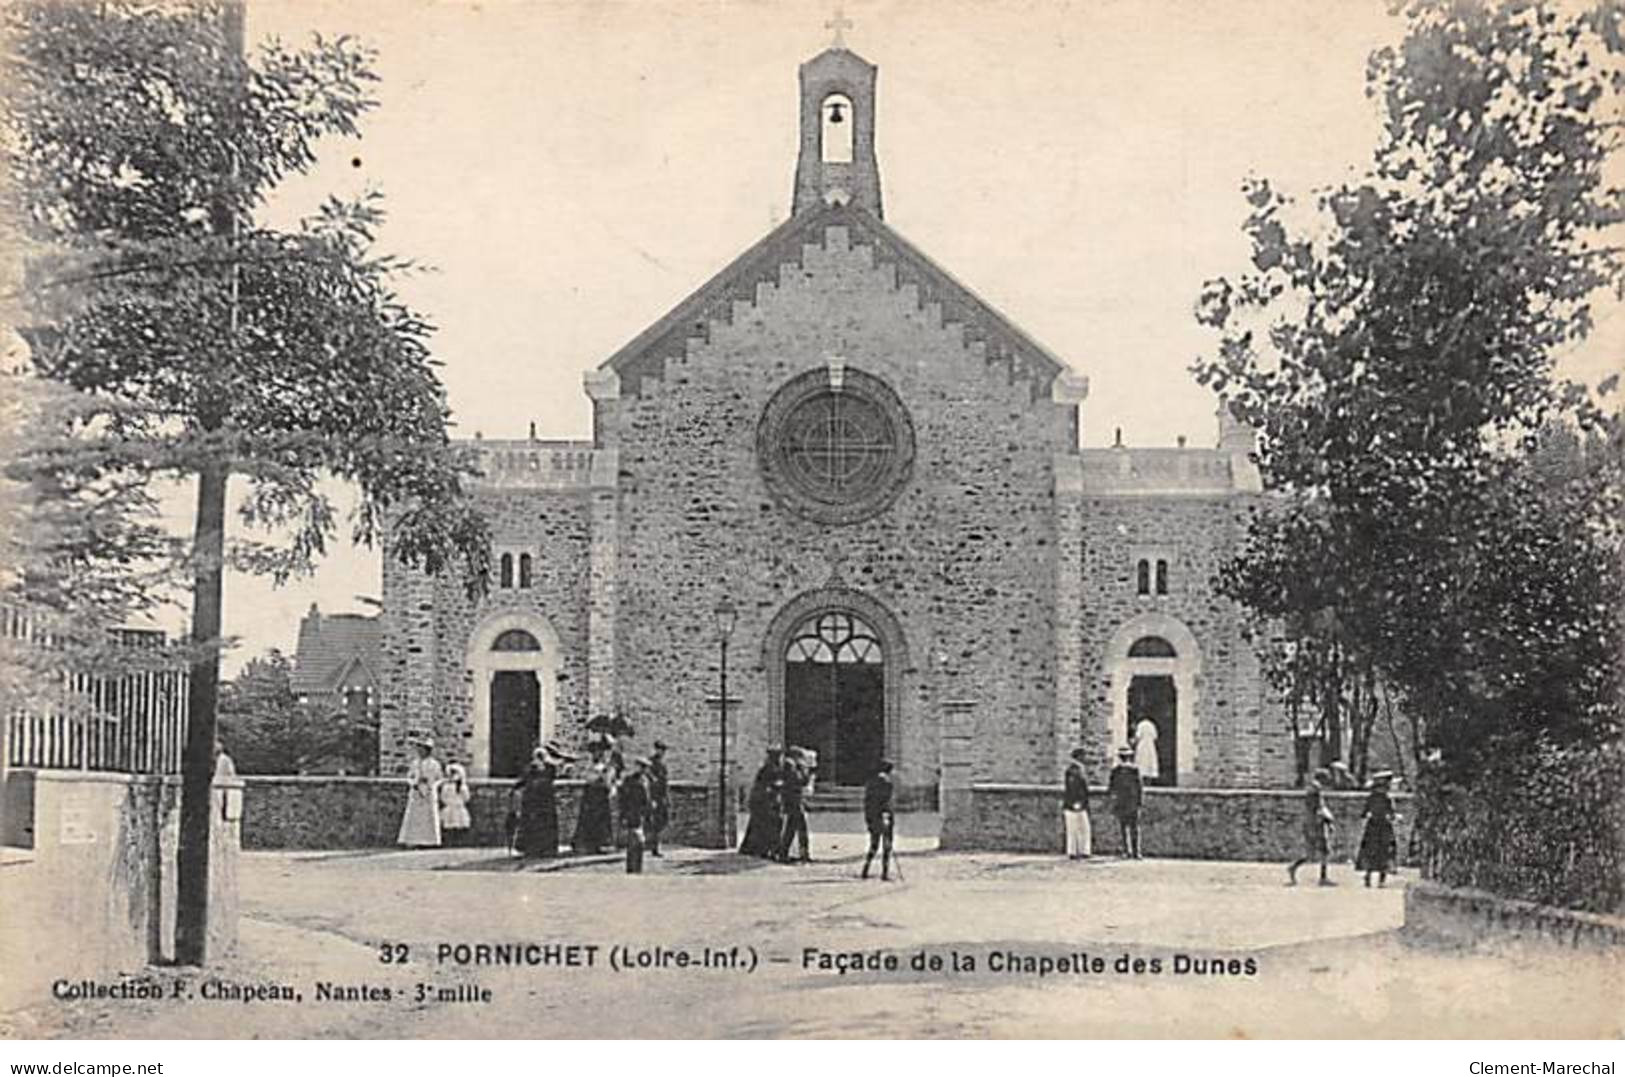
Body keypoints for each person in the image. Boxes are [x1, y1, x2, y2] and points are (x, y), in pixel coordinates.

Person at [515, 743, 569, 859]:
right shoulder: (531, 768)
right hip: (533, 800)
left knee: (544, 824)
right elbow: (523, 780)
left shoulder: (549, 768)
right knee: (532, 824)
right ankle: (532, 848)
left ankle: (545, 848)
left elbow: (551, 779)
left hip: (544, 800)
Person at [1288, 768, 1337, 886]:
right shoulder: (1316, 790)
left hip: (1311, 822)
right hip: (1316, 823)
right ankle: (1322, 877)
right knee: (1323, 850)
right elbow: (1318, 808)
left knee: (1313, 852)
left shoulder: (1312, 789)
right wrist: (1328, 819)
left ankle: (1294, 867)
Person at [397, 736, 444, 848]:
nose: (420, 751)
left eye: (423, 749)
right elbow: (409, 777)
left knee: (428, 817)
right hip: (416, 793)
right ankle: (413, 840)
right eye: (419, 749)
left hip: (429, 793)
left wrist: (432, 786)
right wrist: (414, 783)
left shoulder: (435, 764)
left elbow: (440, 778)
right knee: (415, 817)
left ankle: (429, 841)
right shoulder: (415, 764)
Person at [571, 739, 615, 855]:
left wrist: (605, 776)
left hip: (601, 796)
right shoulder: (589, 765)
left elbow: (609, 781)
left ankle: (601, 844)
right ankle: (586, 844)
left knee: (601, 820)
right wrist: (594, 777)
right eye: (594, 752)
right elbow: (585, 777)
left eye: (599, 752)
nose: (597, 754)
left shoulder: (607, 766)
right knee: (587, 819)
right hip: (590, 795)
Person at [1355, 771, 1398, 888]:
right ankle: (1381, 880)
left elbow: (1364, 813)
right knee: (1384, 852)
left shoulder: (1371, 798)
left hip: (1372, 826)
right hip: (1384, 827)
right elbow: (1392, 814)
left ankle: (1368, 876)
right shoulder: (1387, 798)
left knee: (1370, 851)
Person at [739, 748, 785, 858]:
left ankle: (759, 848)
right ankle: (763, 849)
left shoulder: (769, 768)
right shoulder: (770, 768)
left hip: (764, 800)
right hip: (764, 801)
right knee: (767, 825)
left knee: (759, 825)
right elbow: (766, 785)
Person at [861, 760, 896, 880]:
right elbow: (885, 801)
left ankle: (865, 869)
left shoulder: (870, 782)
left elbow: (867, 802)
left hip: (872, 816)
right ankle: (885, 873)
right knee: (887, 845)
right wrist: (886, 816)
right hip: (883, 816)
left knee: (874, 844)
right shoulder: (887, 782)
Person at [618, 757, 653, 874]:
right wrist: (623, 815)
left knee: (639, 842)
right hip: (632, 813)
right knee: (634, 841)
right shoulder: (630, 781)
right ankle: (632, 867)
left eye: (644, 767)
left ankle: (637, 866)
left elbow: (647, 799)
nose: (642, 769)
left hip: (641, 814)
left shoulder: (646, 780)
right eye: (641, 766)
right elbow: (623, 798)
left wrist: (648, 812)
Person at [777, 747, 811, 863]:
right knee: (799, 828)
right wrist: (803, 770)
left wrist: (805, 770)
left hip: (795, 801)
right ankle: (800, 853)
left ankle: (786, 853)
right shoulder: (789, 766)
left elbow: (803, 781)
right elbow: (797, 781)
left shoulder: (795, 766)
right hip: (793, 801)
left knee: (792, 829)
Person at [1107, 746, 1143, 859]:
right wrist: (1139, 802)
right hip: (1130, 802)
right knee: (1134, 828)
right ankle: (1135, 851)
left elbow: (1111, 788)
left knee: (1124, 827)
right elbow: (1139, 788)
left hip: (1123, 802)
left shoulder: (1116, 771)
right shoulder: (1134, 770)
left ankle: (1127, 850)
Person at [1063, 747, 1092, 860]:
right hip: (1074, 804)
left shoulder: (1078, 769)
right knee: (1076, 828)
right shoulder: (1073, 770)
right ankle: (1075, 851)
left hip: (1079, 803)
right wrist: (1076, 802)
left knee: (1081, 828)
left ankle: (1080, 850)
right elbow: (1073, 788)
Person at [646, 741, 671, 857]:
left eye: (663, 750)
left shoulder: (663, 764)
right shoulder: (651, 763)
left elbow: (665, 782)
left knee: (662, 821)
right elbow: (650, 779)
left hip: (662, 796)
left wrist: (666, 797)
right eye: (659, 749)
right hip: (654, 796)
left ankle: (653, 845)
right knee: (655, 822)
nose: (661, 752)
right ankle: (654, 847)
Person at [439, 762, 473, 846]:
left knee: (459, 825)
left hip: (458, 807)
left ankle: (459, 842)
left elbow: (466, 797)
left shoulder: (462, 787)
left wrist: (459, 802)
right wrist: (449, 802)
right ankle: (449, 842)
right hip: (450, 808)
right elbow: (443, 797)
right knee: (448, 825)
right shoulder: (446, 786)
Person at [1132, 716, 1160, 784]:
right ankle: (1149, 782)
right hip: (1150, 746)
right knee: (1150, 762)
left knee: (1141, 762)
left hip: (1142, 745)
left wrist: (1133, 742)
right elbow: (1155, 737)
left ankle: (1142, 782)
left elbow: (1137, 736)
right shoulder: (1151, 725)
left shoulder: (1140, 725)